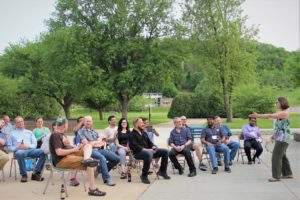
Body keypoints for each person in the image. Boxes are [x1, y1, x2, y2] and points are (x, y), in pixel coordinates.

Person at [49, 117, 105, 196]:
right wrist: (73, 150)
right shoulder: (55, 135)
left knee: (88, 145)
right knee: (90, 163)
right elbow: (59, 152)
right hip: (61, 160)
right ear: (65, 125)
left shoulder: (61, 134)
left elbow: (64, 147)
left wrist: (75, 148)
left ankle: (86, 159)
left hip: (68, 155)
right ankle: (92, 189)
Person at [250, 97, 293, 182]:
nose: (275, 104)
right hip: (280, 137)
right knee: (282, 155)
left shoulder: (284, 113)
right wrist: (273, 136)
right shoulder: (280, 113)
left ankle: (276, 176)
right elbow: (278, 127)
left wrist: (257, 115)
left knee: (276, 157)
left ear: (281, 102)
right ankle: (288, 174)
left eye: (276, 102)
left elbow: (269, 116)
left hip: (283, 137)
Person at [79, 116, 120, 186]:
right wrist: (96, 143)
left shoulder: (94, 131)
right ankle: (107, 179)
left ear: (92, 122)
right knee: (102, 158)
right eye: (87, 121)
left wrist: (94, 143)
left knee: (116, 159)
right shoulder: (81, 131)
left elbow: (101, 142)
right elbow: (87, 144)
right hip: (89, 151)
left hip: (99, 149)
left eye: (90, 121)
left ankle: (100, 169)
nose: (88, 122)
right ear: (84, 122)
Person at [129, 118, 170, 184]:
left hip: (149, 152)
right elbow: (136, 147)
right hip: (138, 153)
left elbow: (150, 143)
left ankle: (162, 171)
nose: (143, 124)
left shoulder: (144, 132)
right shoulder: (131, 134)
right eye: (141, 123)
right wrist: (149, 150)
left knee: (165, 151)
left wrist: (154, 147)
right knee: (148, 154)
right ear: (136, 124)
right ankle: (144, 175)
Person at [10, 116, 46, 182]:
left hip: (30, 149)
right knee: (19, 153)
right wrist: (16, 147)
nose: (21, 123)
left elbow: (35, 144)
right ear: (15, 124)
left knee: (43, 152)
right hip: (19, 151)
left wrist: (27, 146)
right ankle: (24, 175)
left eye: (21, 121)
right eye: (18, 122)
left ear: (23, 122)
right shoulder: (12, 133)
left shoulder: (29, 132)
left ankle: (35, 173)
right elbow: (9, 147)